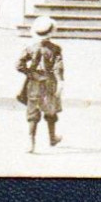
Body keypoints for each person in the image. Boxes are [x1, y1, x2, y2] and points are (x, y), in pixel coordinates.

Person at [17, 16, 65, 153]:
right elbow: (58, 67)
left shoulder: (30, 48)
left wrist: (32, 74)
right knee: (51, 111)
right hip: (50, 84)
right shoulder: (55, 49)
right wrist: (60, 81)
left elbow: (19, 65)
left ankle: (31, 142)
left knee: (33, 112)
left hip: (34, 84)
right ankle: (52, 137)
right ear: (51, 32)